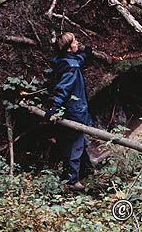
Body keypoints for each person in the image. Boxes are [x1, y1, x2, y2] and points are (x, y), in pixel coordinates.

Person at [44, 32, 95, 190]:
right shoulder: (71, 69)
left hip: (71, 110)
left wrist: (85, 53)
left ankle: (87, 171)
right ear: (68, 48)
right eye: (75, 42)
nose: (77, 42)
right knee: (75, 145)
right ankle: (72, 181)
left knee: (79, 142)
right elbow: (63, 89)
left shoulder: (64, 61)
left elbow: (77, 60)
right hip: (74, 112)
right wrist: (54, 106)